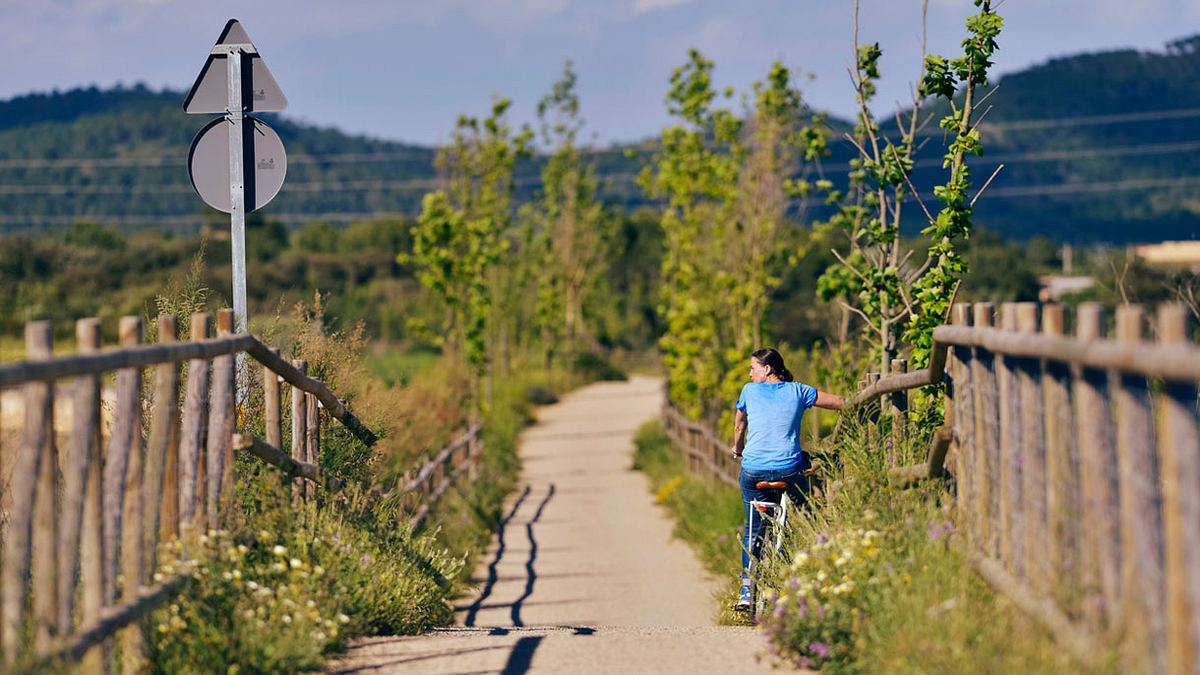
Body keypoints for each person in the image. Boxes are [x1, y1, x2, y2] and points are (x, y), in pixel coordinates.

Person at [729, 347, 844, 611]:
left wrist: (737, 448)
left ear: (767, 369)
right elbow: (840, 402)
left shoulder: (748, 391)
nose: (750, 373)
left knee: (752, 526)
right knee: (810, 506)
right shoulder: (800, 391)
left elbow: (739, 425)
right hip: (789, 470)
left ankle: (747, 590)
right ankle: (814, 555)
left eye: (753, 368)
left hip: (753, 470)